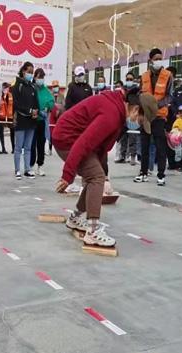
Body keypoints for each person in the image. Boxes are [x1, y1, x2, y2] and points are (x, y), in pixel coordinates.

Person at [54, 89, 156, 246]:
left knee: (95, 176)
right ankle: (92, 232)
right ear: (135, 109)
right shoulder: (111, 115)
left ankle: (74, 218)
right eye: (141, 120)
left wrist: (104, 174)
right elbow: (84, 143)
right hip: (67, 138)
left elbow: (101, 148)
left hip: (72, 137)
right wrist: (68, 175)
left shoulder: (117, 111)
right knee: (96, 177)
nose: (138, 124)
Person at [135, 48, 173, 186]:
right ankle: (143, 172)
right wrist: (140, 113)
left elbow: (170, 96)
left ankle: (161, 175)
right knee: (144, 146)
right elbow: (140, 96)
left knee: (160, 146)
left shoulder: (168, 75)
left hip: (159, 116)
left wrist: (155, 104)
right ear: (150, 60)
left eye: (160, 58)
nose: (158, 61)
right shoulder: (144, 76)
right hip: (145, 116)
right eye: (156, 58)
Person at [12, 61, 39, 179]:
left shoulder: (33, 86)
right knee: (18, 147)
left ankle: (27, 169)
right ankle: (17, 170)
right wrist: (29, 111)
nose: (30, 74)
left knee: (28, 147)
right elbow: (16, 104)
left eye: (32, 72)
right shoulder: (17, 86)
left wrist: (36, 111)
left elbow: (36, 102)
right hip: (21, 120)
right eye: (28, 72)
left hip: (31, 121)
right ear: (23, 71)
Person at [30, 68, 54, 176]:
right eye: (39, 77)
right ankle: (30, 165)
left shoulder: (45, 90)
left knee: (41, 143)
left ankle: (40, 165)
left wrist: (47, 107)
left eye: (42, 77)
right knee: (31, 144)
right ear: (34, 77)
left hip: (42, 121)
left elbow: (51, 101)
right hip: (32, 120)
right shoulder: (31, 88)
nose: (41, 79)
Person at [115, 72, 139, 165]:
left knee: (132, 137)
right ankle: (122, 156)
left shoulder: (136, 90)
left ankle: (132, 156)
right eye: (127, 79)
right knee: (122, 137)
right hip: (123, 115)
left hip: (132, 116)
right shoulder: (122, 90)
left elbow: (137, 103)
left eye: (131, 79)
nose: (129, 80)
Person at [48, 79, 65, 155]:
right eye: (54, 86)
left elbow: (64, 105)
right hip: (51, 116)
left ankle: (60, 149)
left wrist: (59, 109)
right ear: (52, 87)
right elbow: (48, 104)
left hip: (59, 116)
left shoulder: (61, 96)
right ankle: (50, 148)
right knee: (51, 133)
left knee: (59, 133)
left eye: (56, 86)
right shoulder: (49, 95)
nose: (55, 88)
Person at [0, 82, 14, 154]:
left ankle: (10, 148)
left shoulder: (10, 95)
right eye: (5, 88)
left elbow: (12, 105)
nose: (6, 89)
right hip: (0, 116)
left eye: (7, 88)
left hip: (9, 117)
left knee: (12, 132)